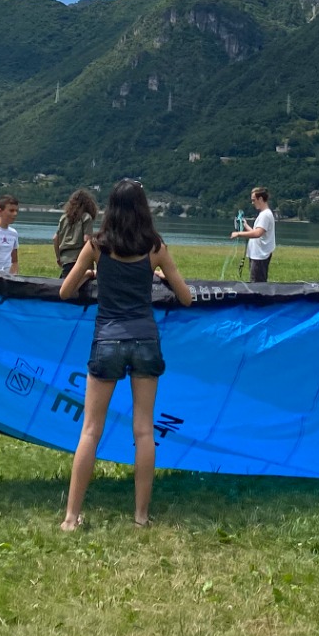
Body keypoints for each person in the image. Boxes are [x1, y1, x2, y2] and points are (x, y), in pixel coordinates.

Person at [58, 180, 194, 530]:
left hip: (107, 341)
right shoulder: (155, 247)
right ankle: (141, 517)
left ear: (111, 209)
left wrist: (91, 272)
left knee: (90, 431)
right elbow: (186, 298)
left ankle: (71, 518)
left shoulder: (96, 246)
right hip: (146, 340)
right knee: (144, 431)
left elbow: (65, 291)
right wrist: (161, 275)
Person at [231, 187, 277, 282]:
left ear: (260, 199)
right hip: (257, 255)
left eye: (253, 200)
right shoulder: (264, 214)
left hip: (260, 256)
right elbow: (257, 233)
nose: (252, 203)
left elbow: (257, 233)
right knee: (255, 281)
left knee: (257, 284)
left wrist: (238, 234)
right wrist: (246, 225)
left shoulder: (265, 215)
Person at [52, 189, 98, 276]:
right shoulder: (86, 217)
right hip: (80, 259)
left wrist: (58, 257)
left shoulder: (64, 218)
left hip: (65, 259)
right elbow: (86, 240)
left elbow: (55, 238)